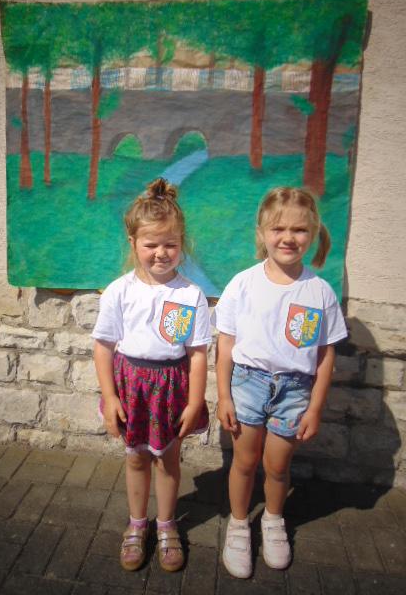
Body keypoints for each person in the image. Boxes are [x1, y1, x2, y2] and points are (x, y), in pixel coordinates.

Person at [213, 186, 347, 578]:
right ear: (262, 233)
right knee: (244, 462)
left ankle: (272, 520)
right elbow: (225, 345)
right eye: (278, 229)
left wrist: (315, 408)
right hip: (247, 385)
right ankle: (239, 524)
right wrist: (224, 396)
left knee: (277, 465)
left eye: (299, 230)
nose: (288, 238)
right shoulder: (242, 284)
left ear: (313, 233)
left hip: (294, 391)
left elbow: (324, 355)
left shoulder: (319, 292)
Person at [92, 177, 210, 573]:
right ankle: (137, 524)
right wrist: (110, 397)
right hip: (131, 389)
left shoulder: (191, 295)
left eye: (170, 244)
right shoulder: (118, 291)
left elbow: (197, 354)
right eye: (151, 244)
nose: (161, 253)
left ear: (182, 244)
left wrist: (194, 402)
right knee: (136, 460)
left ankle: (167, 526)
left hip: (172, 389)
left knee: (168, 461)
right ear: (133, 243)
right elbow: (103, 347)